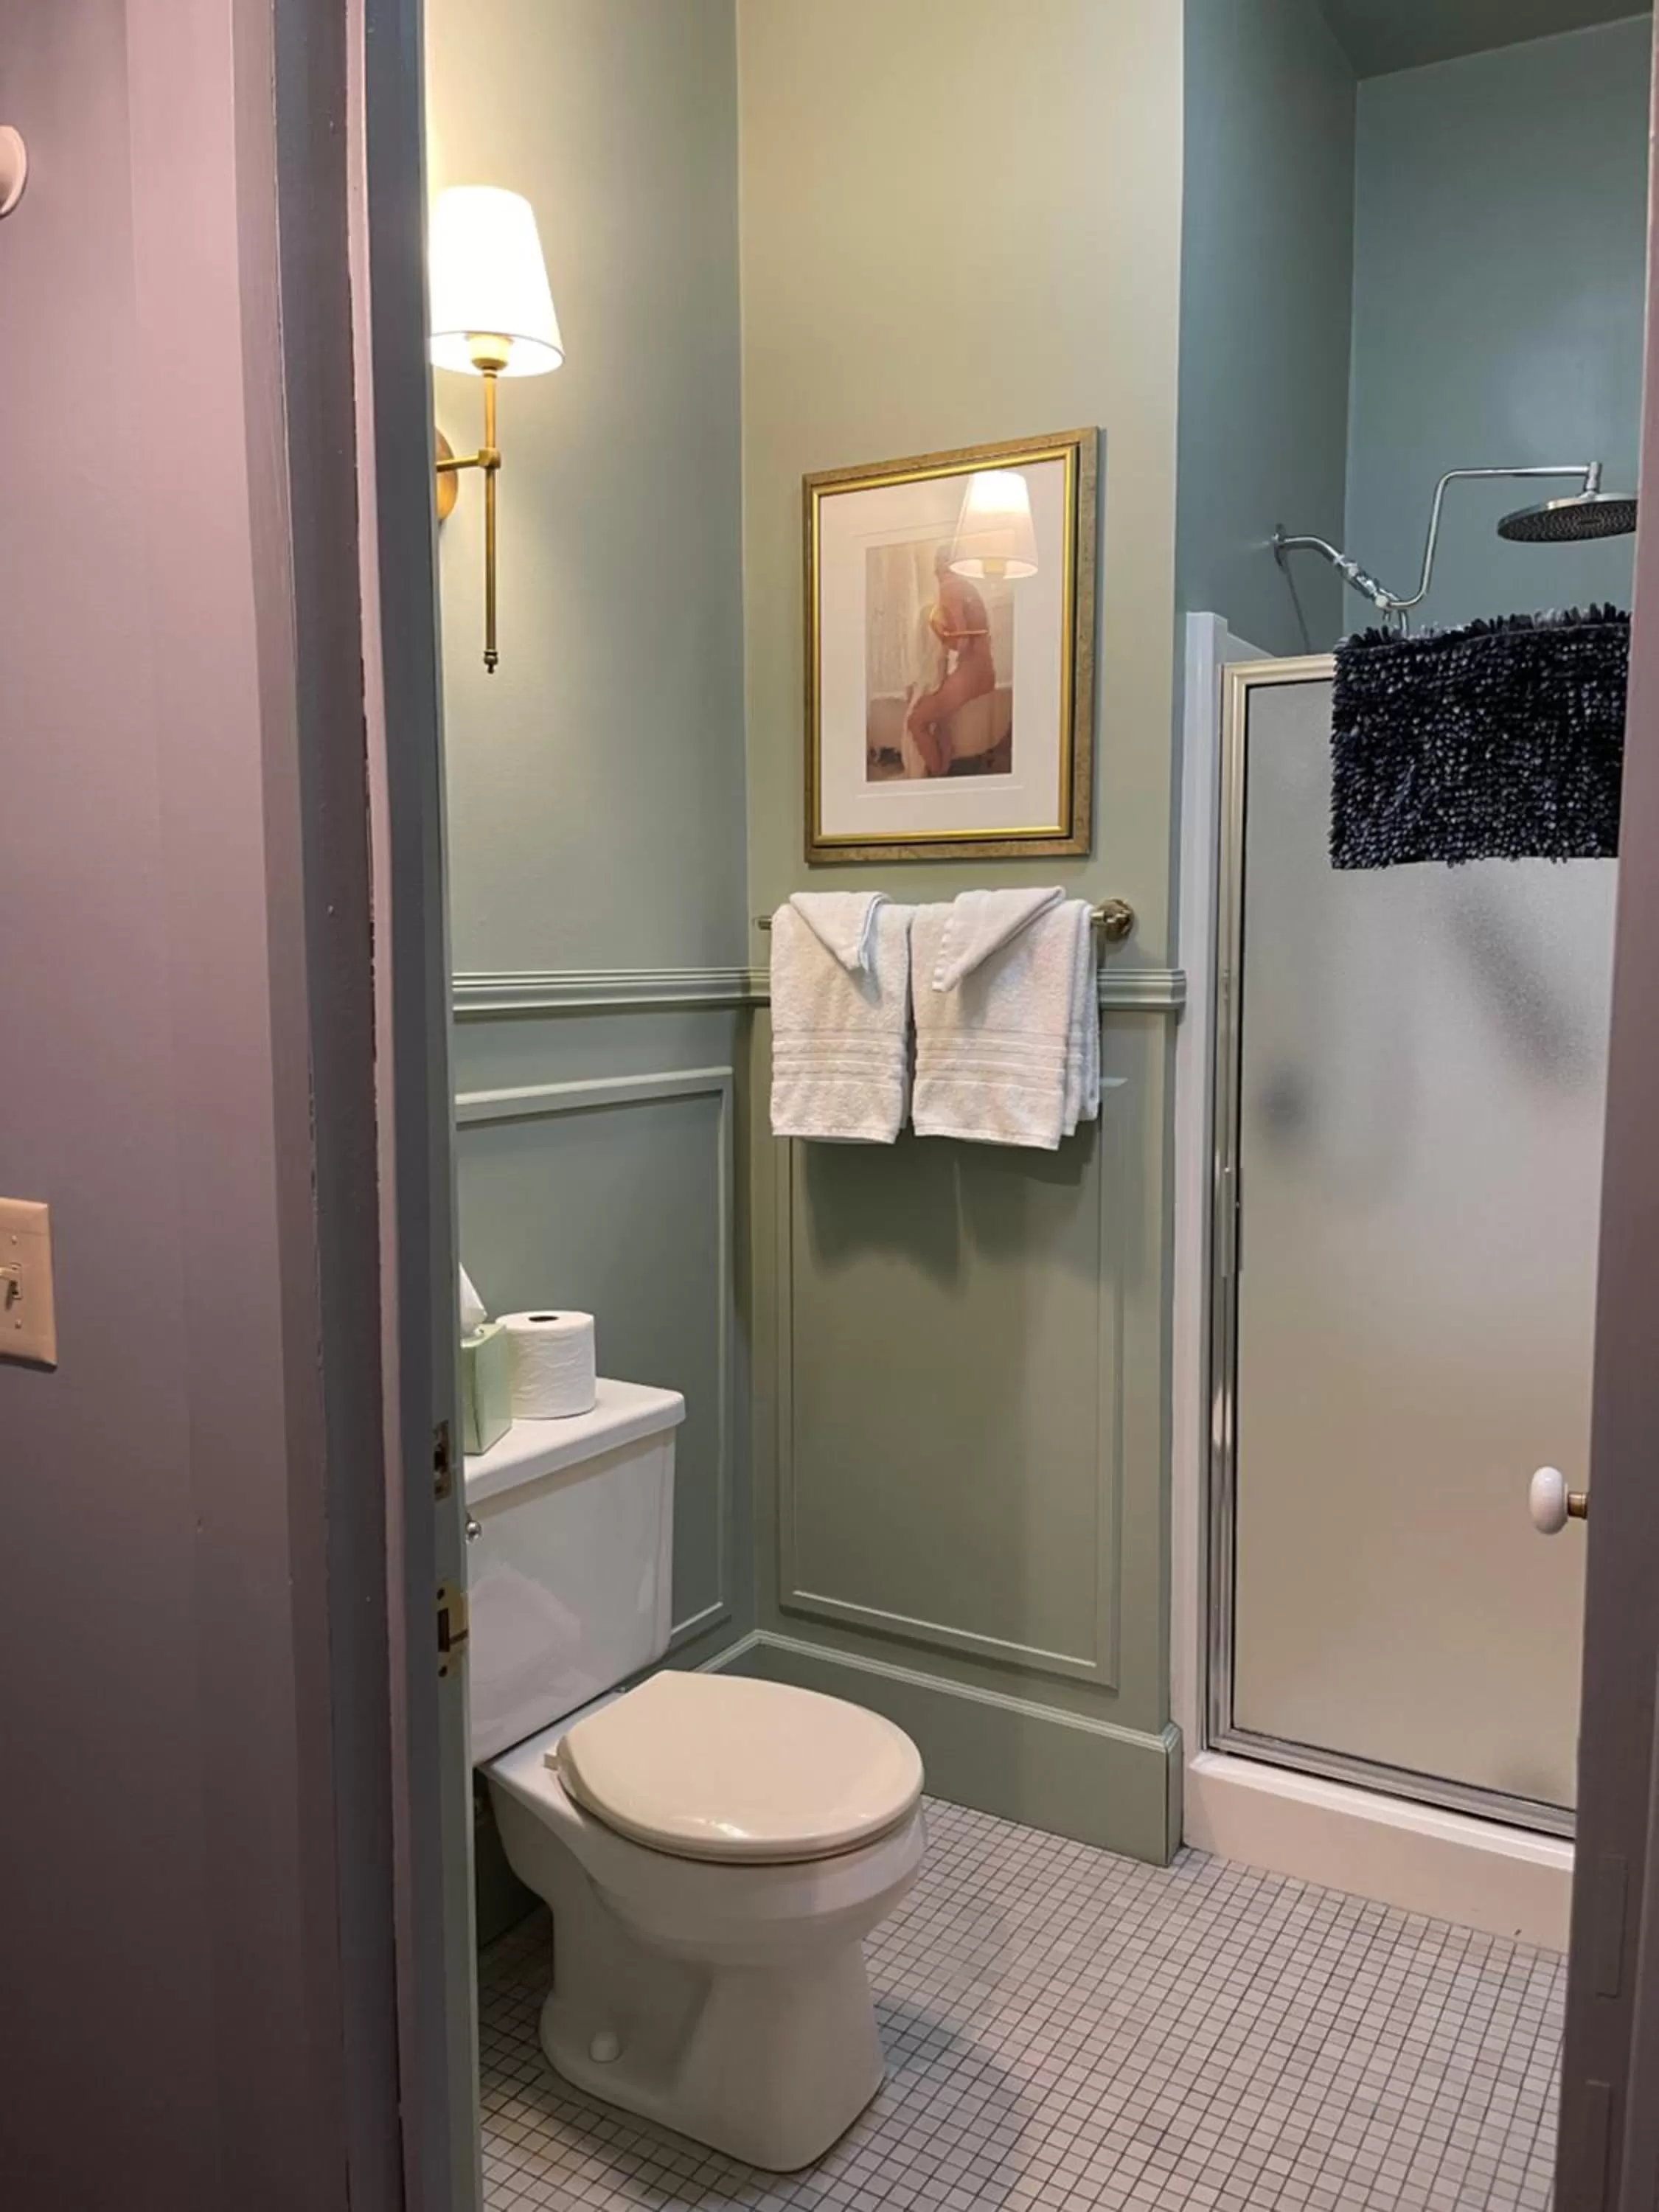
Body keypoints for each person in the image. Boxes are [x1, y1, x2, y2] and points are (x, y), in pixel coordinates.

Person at [905, 545, 996, 777]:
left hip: (973, 671)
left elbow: (962, 640)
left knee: (917, 721)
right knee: (940, 716)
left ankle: (937, 777)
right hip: (982, 668)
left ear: (940, 565)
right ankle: (943, 766)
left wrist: (941, 634)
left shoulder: (949, 588)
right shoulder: (966, 586)